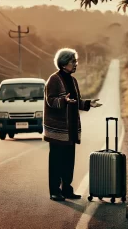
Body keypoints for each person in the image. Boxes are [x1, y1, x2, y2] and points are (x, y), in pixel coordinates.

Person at [43, 48, 102, 201]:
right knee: (56, 162)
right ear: (63, 63)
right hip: (57, 129)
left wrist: (89, 104)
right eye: (73, 62)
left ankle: (67, 190)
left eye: (76, 61)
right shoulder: (54, 79)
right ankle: (55, 191)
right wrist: (64, 101)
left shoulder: (73, 80)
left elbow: (76, 102)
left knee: (69, 162)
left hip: (71, 129)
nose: (76, 64)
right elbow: (51, 101)